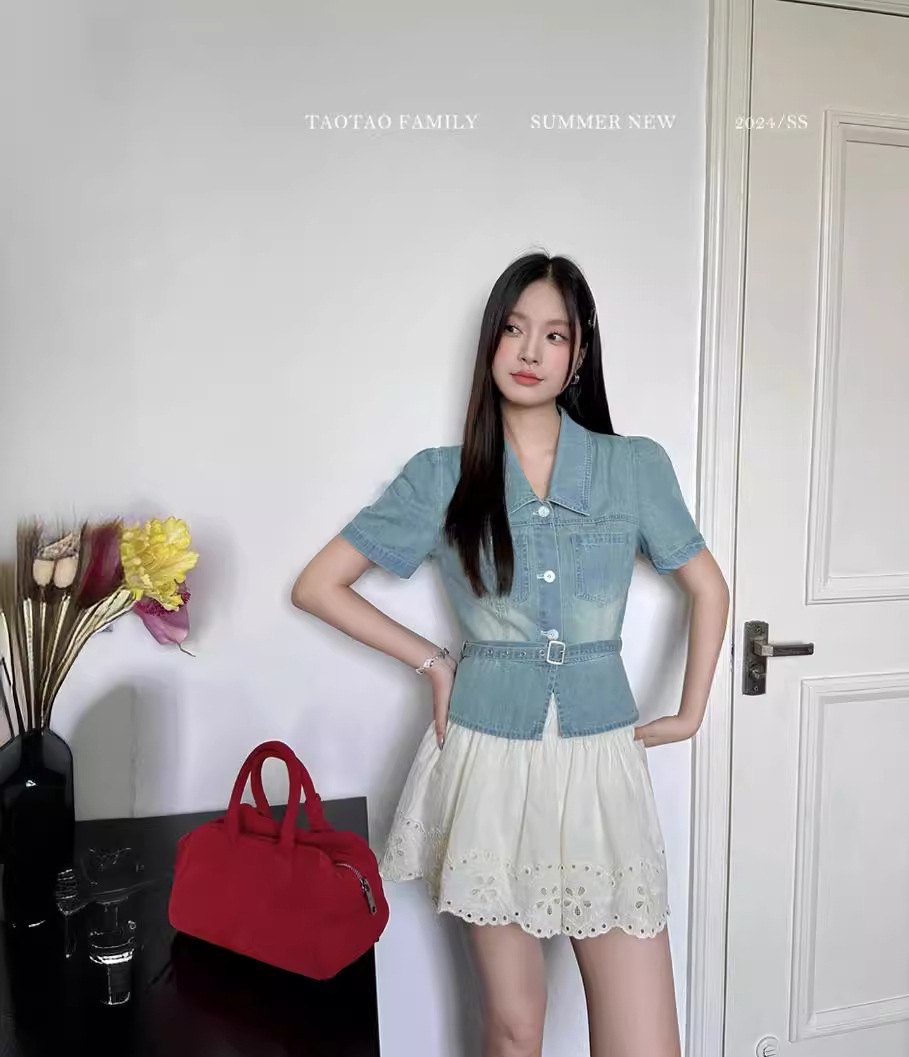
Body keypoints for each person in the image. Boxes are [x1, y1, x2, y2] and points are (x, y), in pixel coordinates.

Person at [291, 251, 730, 1057]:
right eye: (515, 329)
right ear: (491, 340)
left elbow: (709, 587)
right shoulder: (441, 477)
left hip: (600, 764)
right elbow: (319, 585)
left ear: (578, 354)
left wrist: (690, 712)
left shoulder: (633, 466)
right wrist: (433, 662)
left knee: (645, 1043)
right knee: (514, 1023)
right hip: (486, 761)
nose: (530, 351)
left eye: (554, 335)